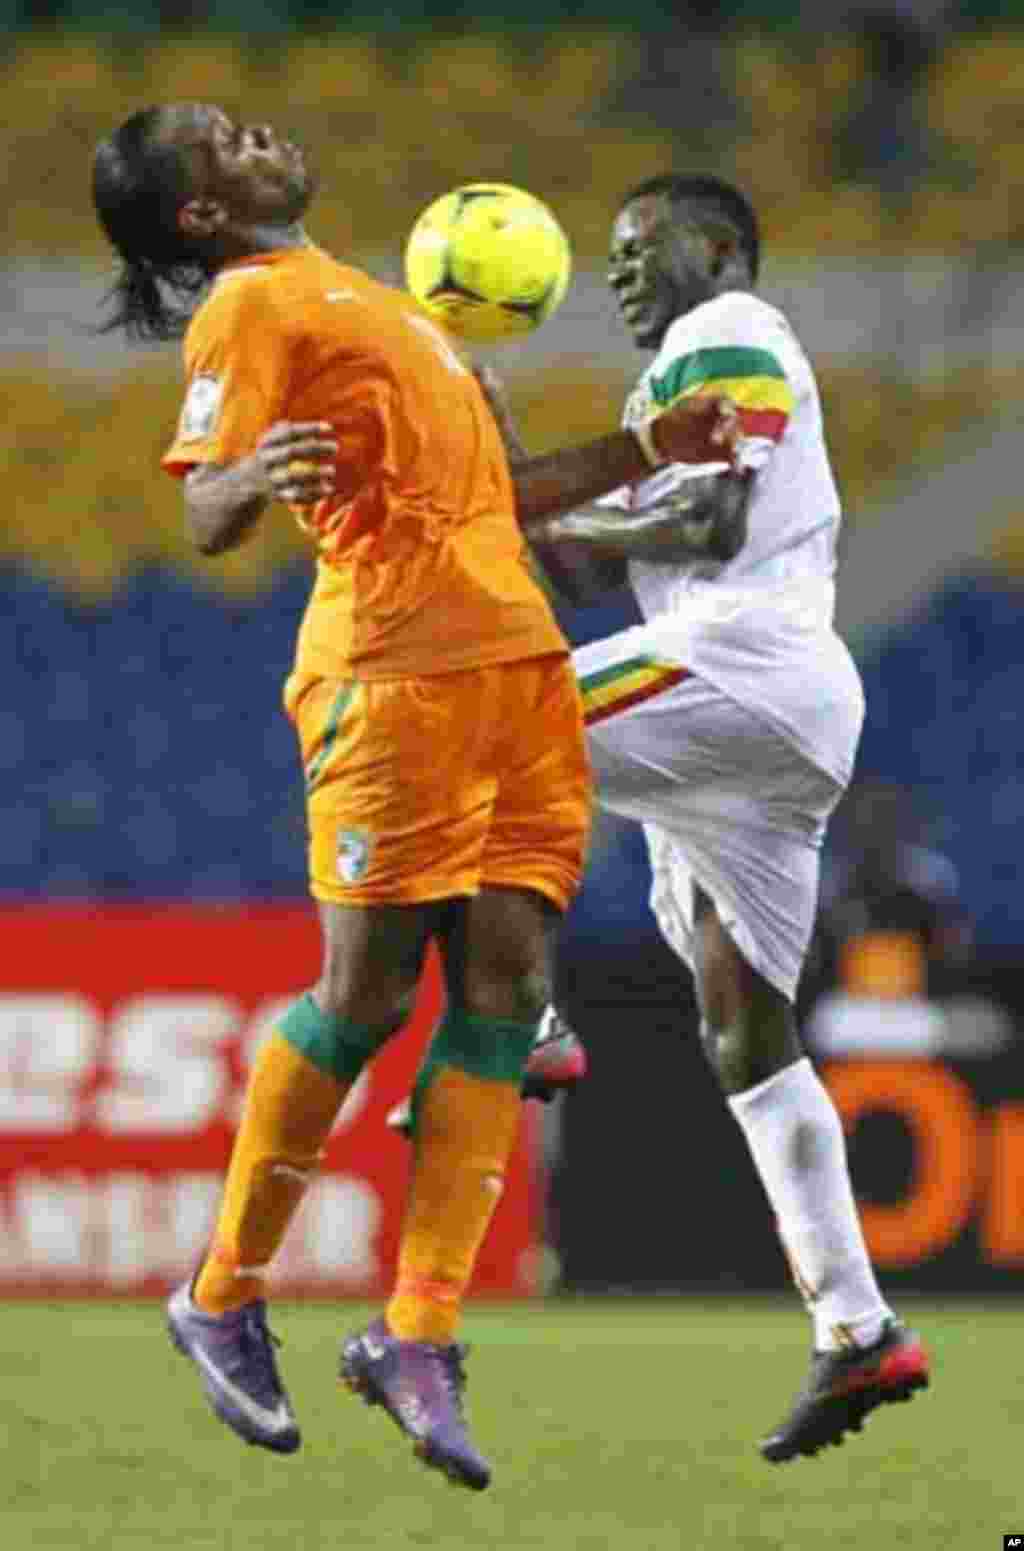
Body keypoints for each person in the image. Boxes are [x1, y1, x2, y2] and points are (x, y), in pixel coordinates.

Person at [90, 107, 736, 1490]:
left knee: (504, 988)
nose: (256, 132)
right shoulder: (252, 303)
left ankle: (419, 1334)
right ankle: (220, 1290)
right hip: (394, 676)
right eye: (220, 141)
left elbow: (505, 496)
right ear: (199, 215)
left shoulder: (384, 306)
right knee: (372, 994)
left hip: (516, 671)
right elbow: (206, 505)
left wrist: (648, 447)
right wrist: (247, 477)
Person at [473, 174, 932, 1462]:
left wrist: (550, 497)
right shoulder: (658, 393)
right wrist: (517, 483)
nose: (620, 270)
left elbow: (711, 513)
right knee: (746, 1030)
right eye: (607, 255)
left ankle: (528, 1019)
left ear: (721, 246)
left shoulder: (722, 331)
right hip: (754, 729)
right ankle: (858, 1329)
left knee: (460, 716)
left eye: (640, 244)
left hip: (744, 660)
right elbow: (581, 560)